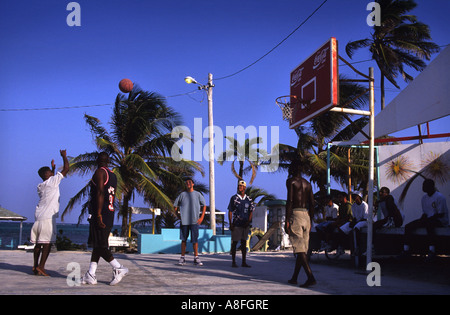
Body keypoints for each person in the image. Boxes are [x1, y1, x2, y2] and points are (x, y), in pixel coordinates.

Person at [81, 152, 128, 286]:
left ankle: (118, 268)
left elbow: (100, 193)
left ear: (98, 160)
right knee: (98, 243)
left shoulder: (99, 173)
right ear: (109, 161)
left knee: (100, 245)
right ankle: (91, 274)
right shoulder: (113, 175)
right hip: (110, 212)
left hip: (101, 213)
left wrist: (98, 214)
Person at [31, 150, 69, 276]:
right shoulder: (53, 182)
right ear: (48, 174)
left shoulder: (40, 186)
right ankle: (41, 267)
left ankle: (35, 265)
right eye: (50, 172)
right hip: (48, 218)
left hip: (38, 218)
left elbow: (50, 176)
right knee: (46, 244)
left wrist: (52, 167)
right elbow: (66, 169)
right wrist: (64, 156)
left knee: (38, 244)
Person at [401, 179, 449, 261]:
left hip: (440, 221)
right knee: (408, 226)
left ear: (431, 186)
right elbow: (425, 213)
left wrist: (427, 219)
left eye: (425, 185)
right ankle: (406, 251)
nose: (423, 187)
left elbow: (441, 214)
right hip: (428, 220)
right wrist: (421, 220)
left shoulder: (440, 197)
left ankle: (432, 251)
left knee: (429, 225)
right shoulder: (424, 198)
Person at [285, 162, 316, 288]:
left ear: (292, 170)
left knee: (299, 248)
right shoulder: (307, 184)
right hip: (306, 215)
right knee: (302, 248)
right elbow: (312, 203)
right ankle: (294, 278)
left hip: (296, 214)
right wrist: (311, 220)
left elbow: (290, 201)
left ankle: (310, 277)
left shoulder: (291, 182)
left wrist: (287, 220)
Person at [174, 178, 207, 266]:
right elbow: (175, 206)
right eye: (186, 182)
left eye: (189, 182)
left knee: (195, 240)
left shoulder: (197, 194)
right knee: (183, 240)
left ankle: (196, 258)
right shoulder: (182, 194)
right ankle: (182, 258)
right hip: (184, 222)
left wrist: (201, 218)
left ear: (193, 184)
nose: (188, 183)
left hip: (194, 221)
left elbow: (204, 205)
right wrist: (178, 216)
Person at [228, 180, 255, 268]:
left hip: (245, 224)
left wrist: (248, 221)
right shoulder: (234, 198)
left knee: (244, 243)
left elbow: (251, 211)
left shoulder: (249, 199)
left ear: (244, 188)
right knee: (235, 243)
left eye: (241, 186)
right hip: (236, 224)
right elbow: (230, 211)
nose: (239, 187)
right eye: (239, 186)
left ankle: (244, 262)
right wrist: (231, 223)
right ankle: (233, 262)